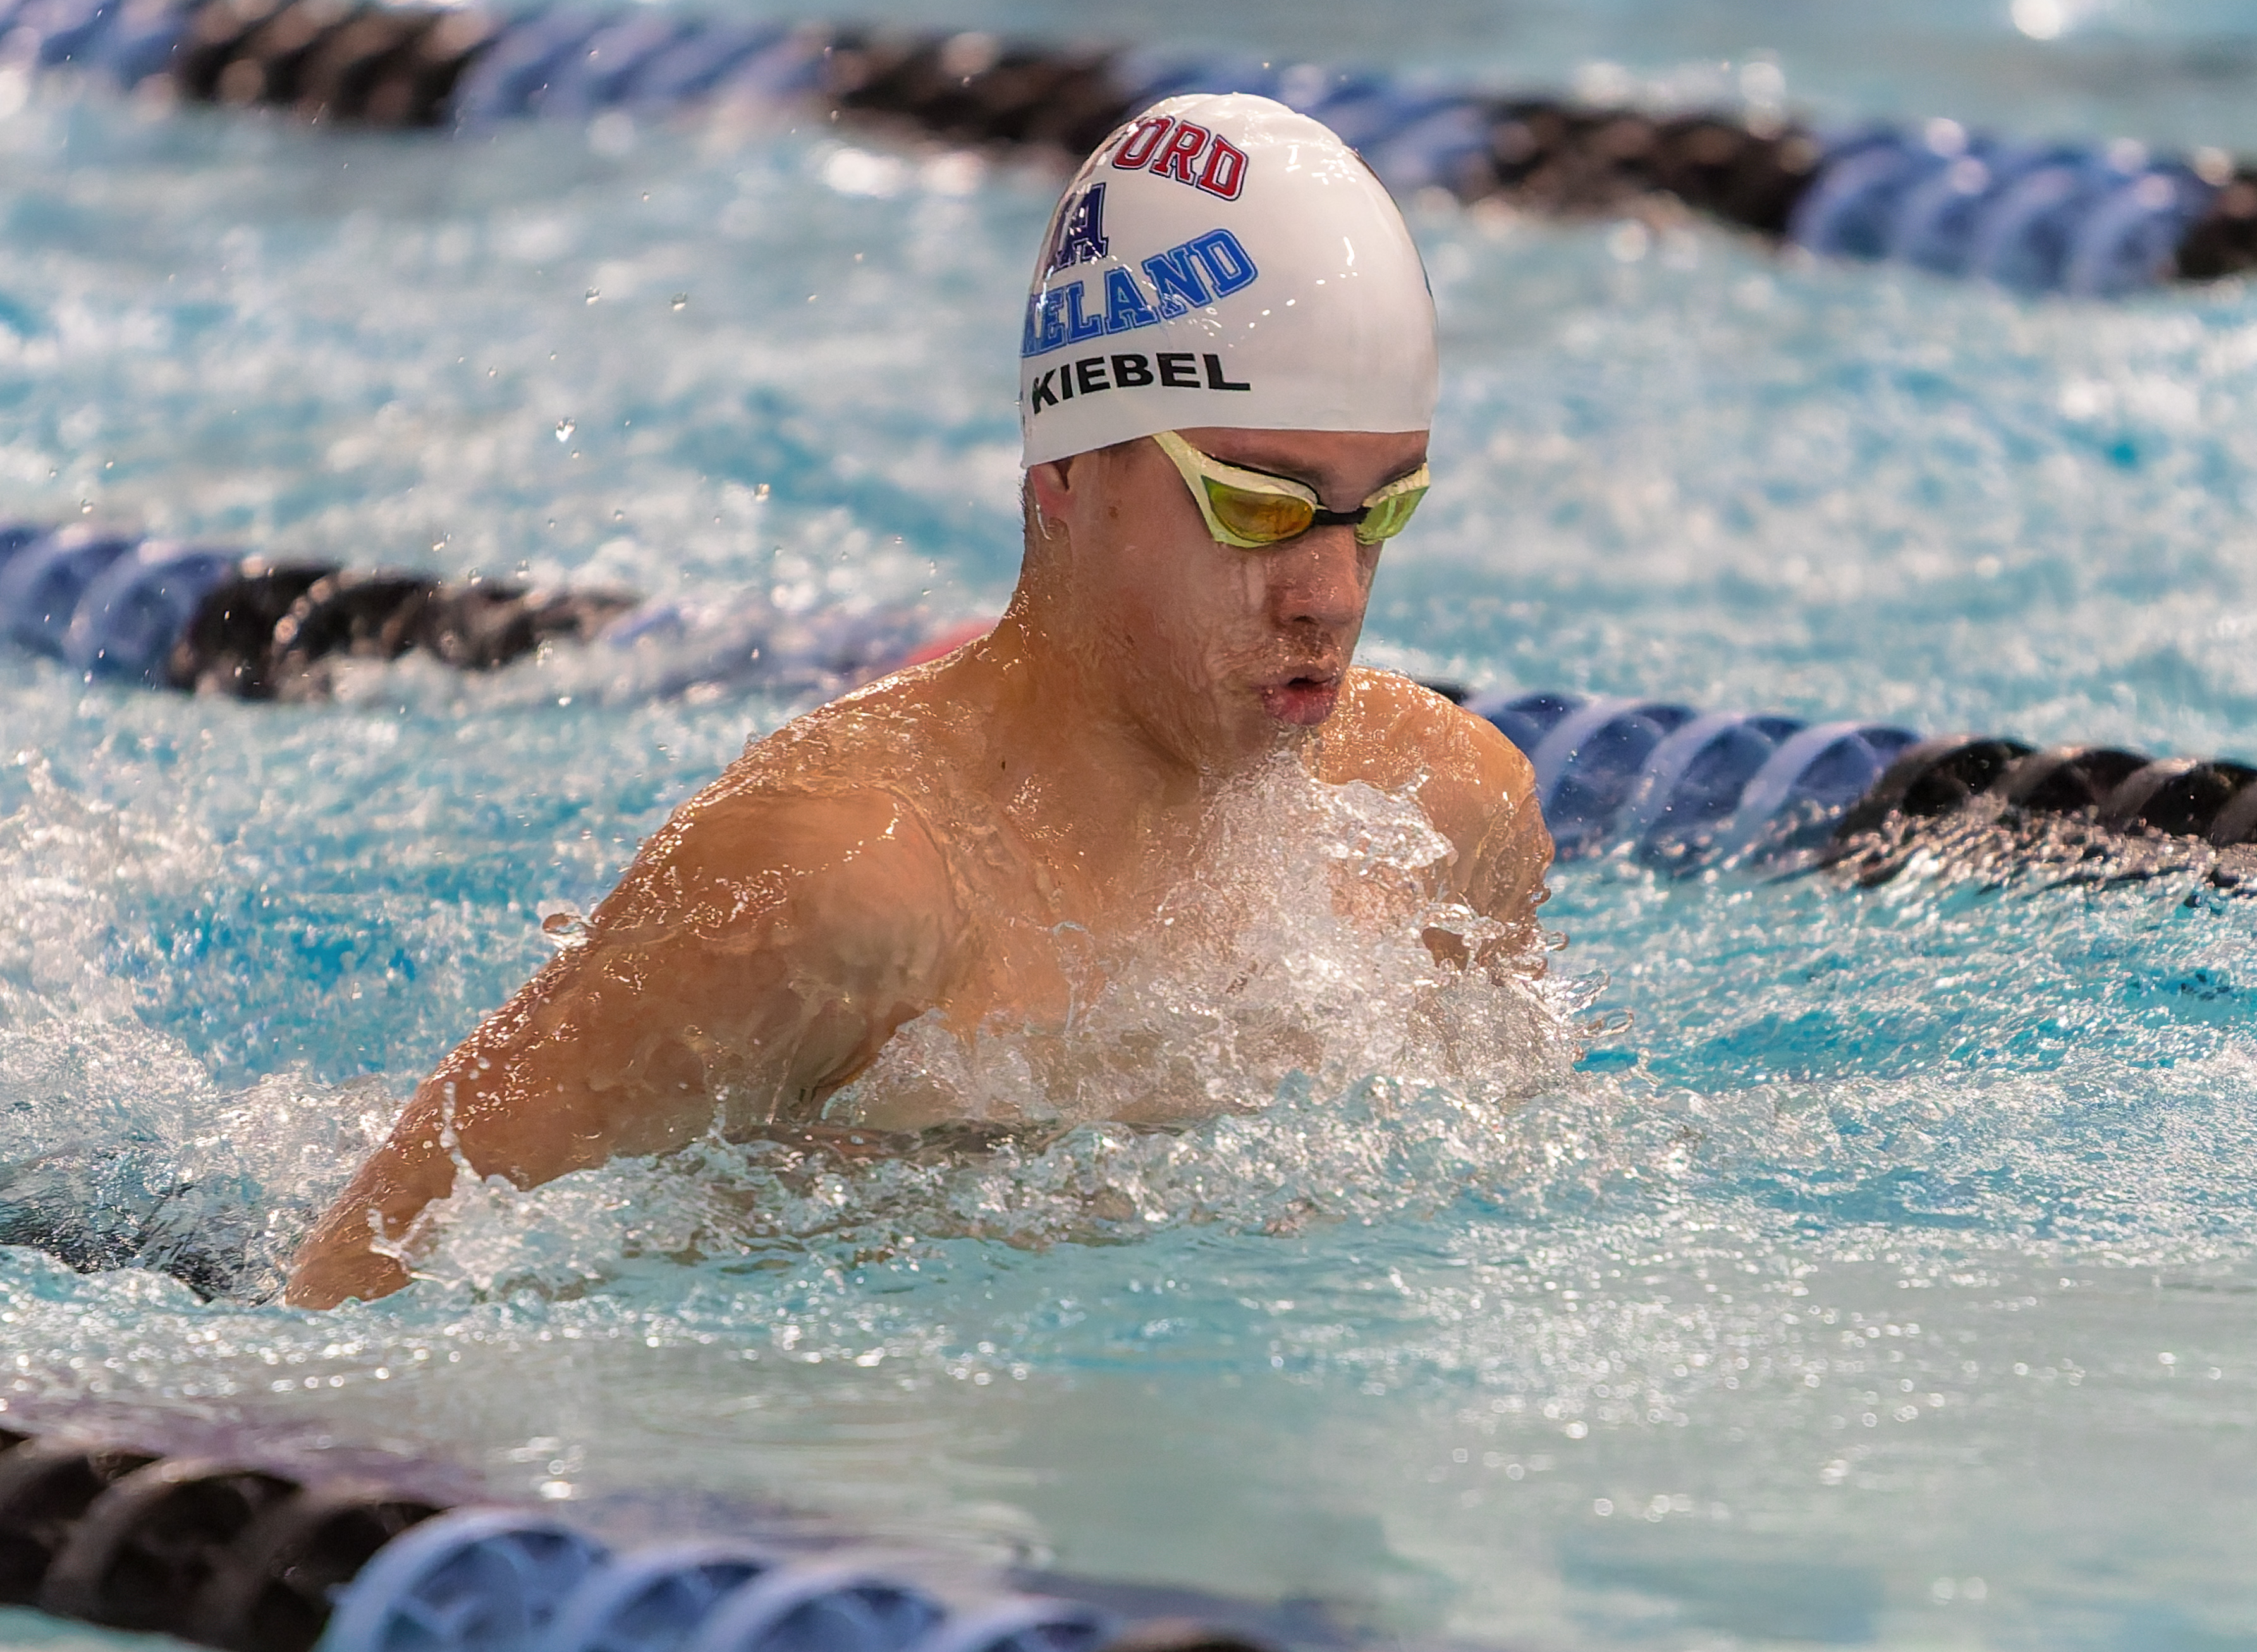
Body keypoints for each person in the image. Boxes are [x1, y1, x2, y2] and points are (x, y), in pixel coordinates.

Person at [285, 92, 1552, 1309]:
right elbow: (365, 1278)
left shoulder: (1446, 819)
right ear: (1066, 470)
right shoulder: (843, 885)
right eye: (1259, 508)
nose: (1330, 592)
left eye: (1383, 511)